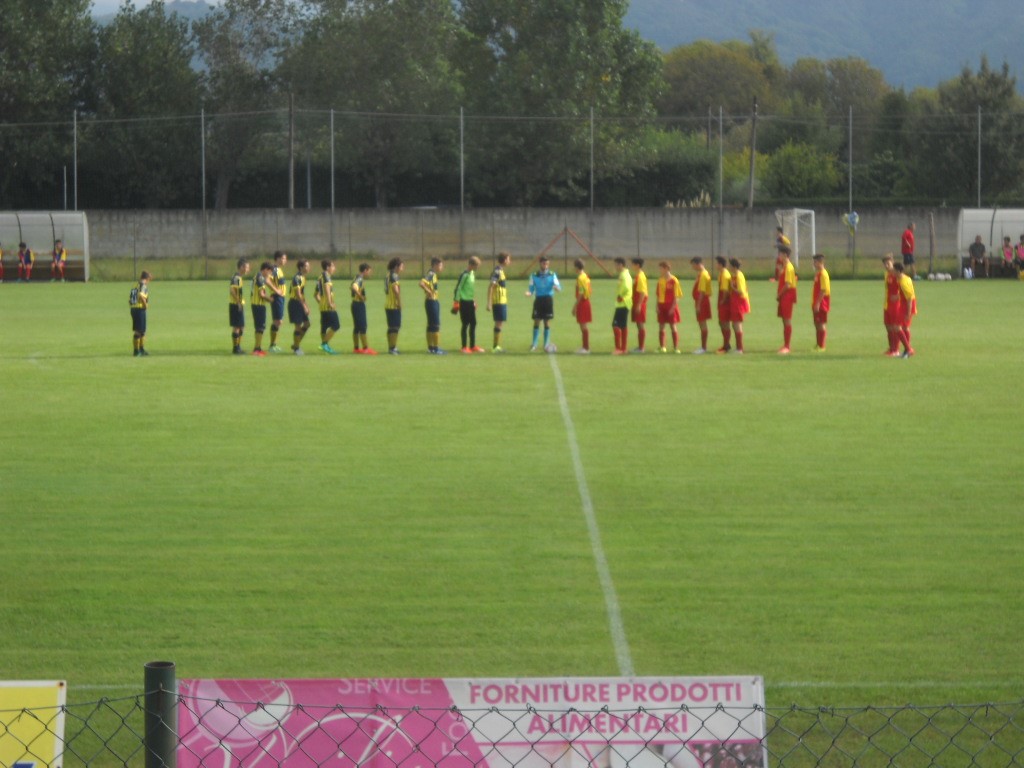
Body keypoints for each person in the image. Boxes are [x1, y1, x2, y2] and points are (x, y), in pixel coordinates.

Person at [525, 256, 561, 351]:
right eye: (543, 263)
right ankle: (534, 344)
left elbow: (558, 286)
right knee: (536, 320)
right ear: (540, 264)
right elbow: (531, 288)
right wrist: (529, 293)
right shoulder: (534, 275)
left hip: (548, 299)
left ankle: (546, 345)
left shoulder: (552, 275)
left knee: (547, 321)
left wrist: (557, 288)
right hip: (539, 300)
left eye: (547, 264)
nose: (545, 265)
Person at [455, 256, 484, 353]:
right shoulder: (465, 275)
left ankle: (472, 346)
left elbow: (470, 289)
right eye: (476, 266)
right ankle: (464, 347)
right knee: (465, 324)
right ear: (471, 265)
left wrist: (474, 300)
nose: (477, 268)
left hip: (470, 302)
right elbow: (458, 288)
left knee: (473, 323)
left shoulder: (472, 274)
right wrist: (456, 301)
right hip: (463, 302)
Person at [419, 257, 446, 354]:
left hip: (431, 302)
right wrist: (428, 291)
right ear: (435, 265)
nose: (442, 267)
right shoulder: (431, 274)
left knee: (430, 325)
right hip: (431, 302)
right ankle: (436, 348)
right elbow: (421, 283)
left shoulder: (433, 274)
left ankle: (431, 347)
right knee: (435, 325)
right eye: (441, 265)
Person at [655, 260, 682, 353]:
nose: (660, 270)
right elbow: (658, 295)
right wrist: (657, 306)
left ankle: (676, 348)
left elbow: (677, 296)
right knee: (661, 326)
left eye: (661, 268)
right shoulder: (660, 280)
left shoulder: (674, 280)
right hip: (661, 305)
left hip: (671, 305)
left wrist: (673, 307)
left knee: (673, 326)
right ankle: (662, 347)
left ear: (666, 269)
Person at [315, 259, 340, 355]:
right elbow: (327, 289)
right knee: (336, 325)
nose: (334, 268)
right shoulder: (326, 276)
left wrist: (321, 303)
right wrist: (329, 302)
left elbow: (315, 294)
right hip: (328, 307)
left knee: (324, 327)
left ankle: (325, 347)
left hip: (322, 307)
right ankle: (324, 344)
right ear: (328, 267)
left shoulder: (320, 277)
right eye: (333, 266)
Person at [486, 252, 511, 352]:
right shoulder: (497, 271)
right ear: (504, 260)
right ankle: (495, 346)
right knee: (498, 323)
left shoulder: (501, 271)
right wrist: (489, 302)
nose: (509, 261)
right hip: (498, 301)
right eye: (508, 259)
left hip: (502, 301)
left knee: (500, 322)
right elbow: (491, 286)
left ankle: (497, 346)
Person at [350, 263, 376, 354]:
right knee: (362, 326)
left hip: (354, 304)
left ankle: (356, 348)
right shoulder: (360, 279)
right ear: (365, 270)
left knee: (357, 327)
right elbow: (354, 287)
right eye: (369, 271)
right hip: (358, 304)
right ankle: (365, 348)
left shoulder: (356, 277)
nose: (369, 273)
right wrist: (360, 296)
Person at [776, 245, 797, 354]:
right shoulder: (784, 267)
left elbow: (788, 284)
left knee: (787, 320)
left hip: (787, 296)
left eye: (780, 254)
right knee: (784, 320)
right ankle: (785, 345)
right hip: (784, 297)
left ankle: (787, 346)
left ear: (785, 255)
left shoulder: (789, 267)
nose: (778, 256)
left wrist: (779, 294)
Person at [287, 259, 311, 355]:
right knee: (298, 326)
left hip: (300, 303)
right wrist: (304, 306)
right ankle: (296, 348)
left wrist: (306, 306)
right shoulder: (297, 278)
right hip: (295, 303)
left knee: (307, 324)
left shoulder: (303, 277)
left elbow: (301, 293)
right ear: (301, 267)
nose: (308, 268)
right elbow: (297, 294)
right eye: (306, 266)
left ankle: (296, 344)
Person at [689, 257, 712, 354]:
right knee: (701, 323)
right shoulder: (702, 274)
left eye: (693, 265)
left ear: (697, 264)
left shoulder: (703, 275)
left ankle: (703, 347)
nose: (692, 267)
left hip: (702, 302)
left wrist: (698, 305)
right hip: (701, 301)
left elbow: (702, 291)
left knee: (702, 324)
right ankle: (703, 347)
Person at [267, 250, 288, 352]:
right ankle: (272, 345)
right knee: (278, 321)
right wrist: (276, 290)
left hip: (281, 297)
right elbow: (267, 280)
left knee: (278, 321)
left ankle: (273, 345)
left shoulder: (279, 269)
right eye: (283, 258)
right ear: (278, 259)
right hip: (276, 297)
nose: (285, 260)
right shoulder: (274, 269)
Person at [894, 262, 916, 358]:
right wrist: (898, 296)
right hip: (906, 304)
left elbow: (909, 298)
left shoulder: (903, 282)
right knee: (905, 328)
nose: (893, 273)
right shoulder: (905, 278)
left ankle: (908, 349)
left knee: (896, 327)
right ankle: (906, 351)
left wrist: (908, 312)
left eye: (894, 271)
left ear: (898, 271)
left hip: (907, 306)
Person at [250, 261, 273, 356]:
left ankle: (258, 348)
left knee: (260, 327)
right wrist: (270, 299)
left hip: (257, 304)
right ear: (265, 270)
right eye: (270, 272)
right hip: (258, 305)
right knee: (260, 327)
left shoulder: (258, 276)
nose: (270, 274)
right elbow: (261, 294)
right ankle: (256, 349)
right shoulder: (260, 278)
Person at [612, 257, 633, 355]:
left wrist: (621, 296)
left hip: (623, 303)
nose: (615, 267)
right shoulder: (625, 274)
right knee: (623, 326)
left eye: (616, 265)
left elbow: (626, 287)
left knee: (615, 325)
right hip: (625, 303)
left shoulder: (624, 275)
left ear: (621, 264)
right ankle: (623, 348)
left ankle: (619, 348)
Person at [229, 258, 250, 355]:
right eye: (245, 267)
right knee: (237, 326)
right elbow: (232, 290)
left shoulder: (239, 278)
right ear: (240, 267)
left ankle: (238, 347)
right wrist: (238, 302)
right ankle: (236, 348)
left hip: (238, 304)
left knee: (241, 326)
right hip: (235, 305)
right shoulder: (237, 278)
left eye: (248, 267)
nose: (247, 269)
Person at [728, 257, 749, 354]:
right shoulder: (735, 275)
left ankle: (740, 348)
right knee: (734, 324)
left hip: (739, 302)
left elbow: (741, 291)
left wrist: (732, 287)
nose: (729, 267)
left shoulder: (739, 276)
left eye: (730, 265)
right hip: (735, 302)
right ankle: (738, 347)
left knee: (737, 324)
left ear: (734, 266)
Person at [571, 258, 592, 354]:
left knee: (583, 325)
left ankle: (586, 348)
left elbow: (581, 293)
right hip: (586, 301)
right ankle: (584, 346)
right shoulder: (585, 276)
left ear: (576, 267)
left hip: (582, 303)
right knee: (582, 325)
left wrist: (575, 306)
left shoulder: (580, 278)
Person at [882, 254, 902, 356]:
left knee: (895, 327)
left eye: (888, 263)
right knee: (888, 327)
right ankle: (891, 349)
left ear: (893, 263)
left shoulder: (897, 275)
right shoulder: (887, 274)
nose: (886, 265)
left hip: (895, 305)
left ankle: (896, 350)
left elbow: (904, 288)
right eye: (885, 264)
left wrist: (898, 296)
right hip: (887, 304)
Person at [811, 253, 830, 352]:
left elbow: (823, 290)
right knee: (817, 323)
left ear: (820, 262)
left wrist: (818, 303)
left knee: (821, 323)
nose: (813, 264)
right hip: (817, 302)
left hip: (822, 303)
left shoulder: (823, 274)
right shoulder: (818, 273)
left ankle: (822, 346)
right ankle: (818, 345)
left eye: (815, 262)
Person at [129, 271, 151, 357]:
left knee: (142, 330)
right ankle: (136, 351)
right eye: (149, 279)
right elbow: (141, 296)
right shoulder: (143, 286)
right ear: (147, 278)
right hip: (139, 309)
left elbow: (130, 298)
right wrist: (145, 305)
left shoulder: (135, 285)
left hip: (133, 308)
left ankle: (141, 350)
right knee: (139, 331)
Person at [384, 257, 404, 354]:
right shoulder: (394, 276)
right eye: (401, 266)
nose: (402, 269)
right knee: (395, 327)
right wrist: (399, 302)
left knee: (391, 327)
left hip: (388, 304)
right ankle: (393, 348)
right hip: (393, 305)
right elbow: (396, 290)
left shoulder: (388, 275)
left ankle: (391, 347)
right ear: (396, 266)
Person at [714, 256, 732, 353]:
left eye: (716, 263)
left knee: (724, 323)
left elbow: (725, 291)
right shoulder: (722, 274)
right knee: (722, 322)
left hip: (725, 302)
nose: (715, 265)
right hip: (722, 301)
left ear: (720, 264)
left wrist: (722, 301)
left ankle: (726, 345)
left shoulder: (725, 275)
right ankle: (726, 344)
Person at [631, 257, 649, 353]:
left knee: (640, 324)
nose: (632, 266)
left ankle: (641, 348)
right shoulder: (638, 275)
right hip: (637, 303)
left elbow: (642, 292)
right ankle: (640, 347)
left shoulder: (641, 276)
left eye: (633, 264)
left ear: (637, 265)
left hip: (640, 303)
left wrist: (639, 305)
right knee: (638, 324)